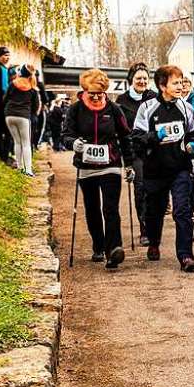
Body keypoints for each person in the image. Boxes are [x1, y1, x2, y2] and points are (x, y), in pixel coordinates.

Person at [131, 65, 194, 272]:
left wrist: (193, 145)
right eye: (175, 83)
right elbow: (136, 138)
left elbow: (193, 133)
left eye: (181, 82)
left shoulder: (186, 108)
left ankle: (186, 255)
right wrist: (156, 136)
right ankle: (153, 242)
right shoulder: (147, 108)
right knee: (154, 211)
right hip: (155, 168)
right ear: (162, 85)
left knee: (182, 210)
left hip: (180, 167)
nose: (180, 86)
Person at [62, 69, 134, 268]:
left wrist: (129, 164)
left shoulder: (113, 109)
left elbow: (125, 137)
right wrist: (73, 143)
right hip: (86, 167)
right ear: (84, 90)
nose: (95, 97)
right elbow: (66, 135)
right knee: (92, 208)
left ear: (105, 92)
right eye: (91, 93)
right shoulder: (75, 110)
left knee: (110, 208)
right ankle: (98, 246)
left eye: (99, 94)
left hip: (110, 165)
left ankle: (114, 250)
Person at [116, 63, 158, 245]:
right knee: (141, 188)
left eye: (145, 78)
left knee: (156, 190)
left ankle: (154, 225)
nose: (142, 81)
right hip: (136, 151)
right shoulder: (122, 101)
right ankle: (145, 229)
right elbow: (120, 130)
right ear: (131, 80)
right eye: (138, 78)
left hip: (155, 149)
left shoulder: (155, 98)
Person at [3, 64, 39, 176]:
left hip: (9, 115)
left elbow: (5, 99)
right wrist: (31, 114)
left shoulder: (12, 84)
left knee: (17, 142)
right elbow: (35, 106)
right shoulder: (32, 89)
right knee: (26, 143)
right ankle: (28, 170)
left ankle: (19, 167)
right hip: (23, 116)